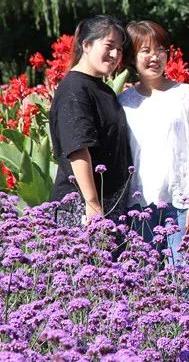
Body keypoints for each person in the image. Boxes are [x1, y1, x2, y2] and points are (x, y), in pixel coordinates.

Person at [118, 21, 189, 265]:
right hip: (138, 206)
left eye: (160, 50)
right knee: (142, 280)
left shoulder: (185, 95)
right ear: (132, 57)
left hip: (180, 203)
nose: (154, 57)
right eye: (146, 51)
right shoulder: (123, 102)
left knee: (181, 277)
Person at [49, 15, 133, 225]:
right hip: (82, 208)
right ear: (86, 44)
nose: (115, 55)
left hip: (108, 204)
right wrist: (93, 204)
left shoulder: (101, 89)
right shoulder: (74, 90)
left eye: (120, 49)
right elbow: (77, 148)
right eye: (109, 46)